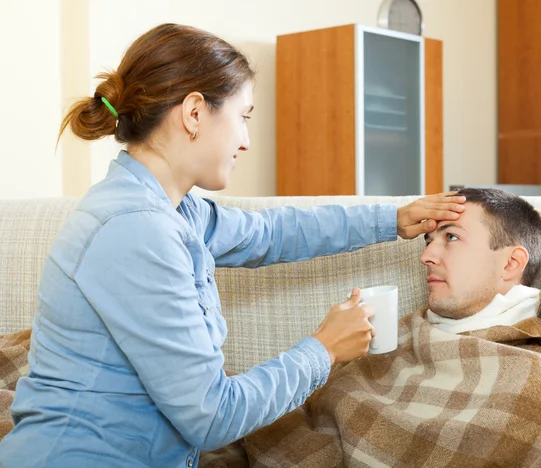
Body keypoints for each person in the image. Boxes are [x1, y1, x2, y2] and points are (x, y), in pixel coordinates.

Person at [0, 23, 465, 467]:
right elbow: (211, 415)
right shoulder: (135, 229)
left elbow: (271, 233)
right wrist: (323, 350)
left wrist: (393, 218)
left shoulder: (174, 209)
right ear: (195, 112)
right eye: (243, 117)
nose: (245, 141)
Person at [222, 188, 541, 468]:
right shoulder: (402, 332)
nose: (426, 256)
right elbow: (315, 413)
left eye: (451, 237)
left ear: (511, 262)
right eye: (428, 241)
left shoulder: (536, 382)